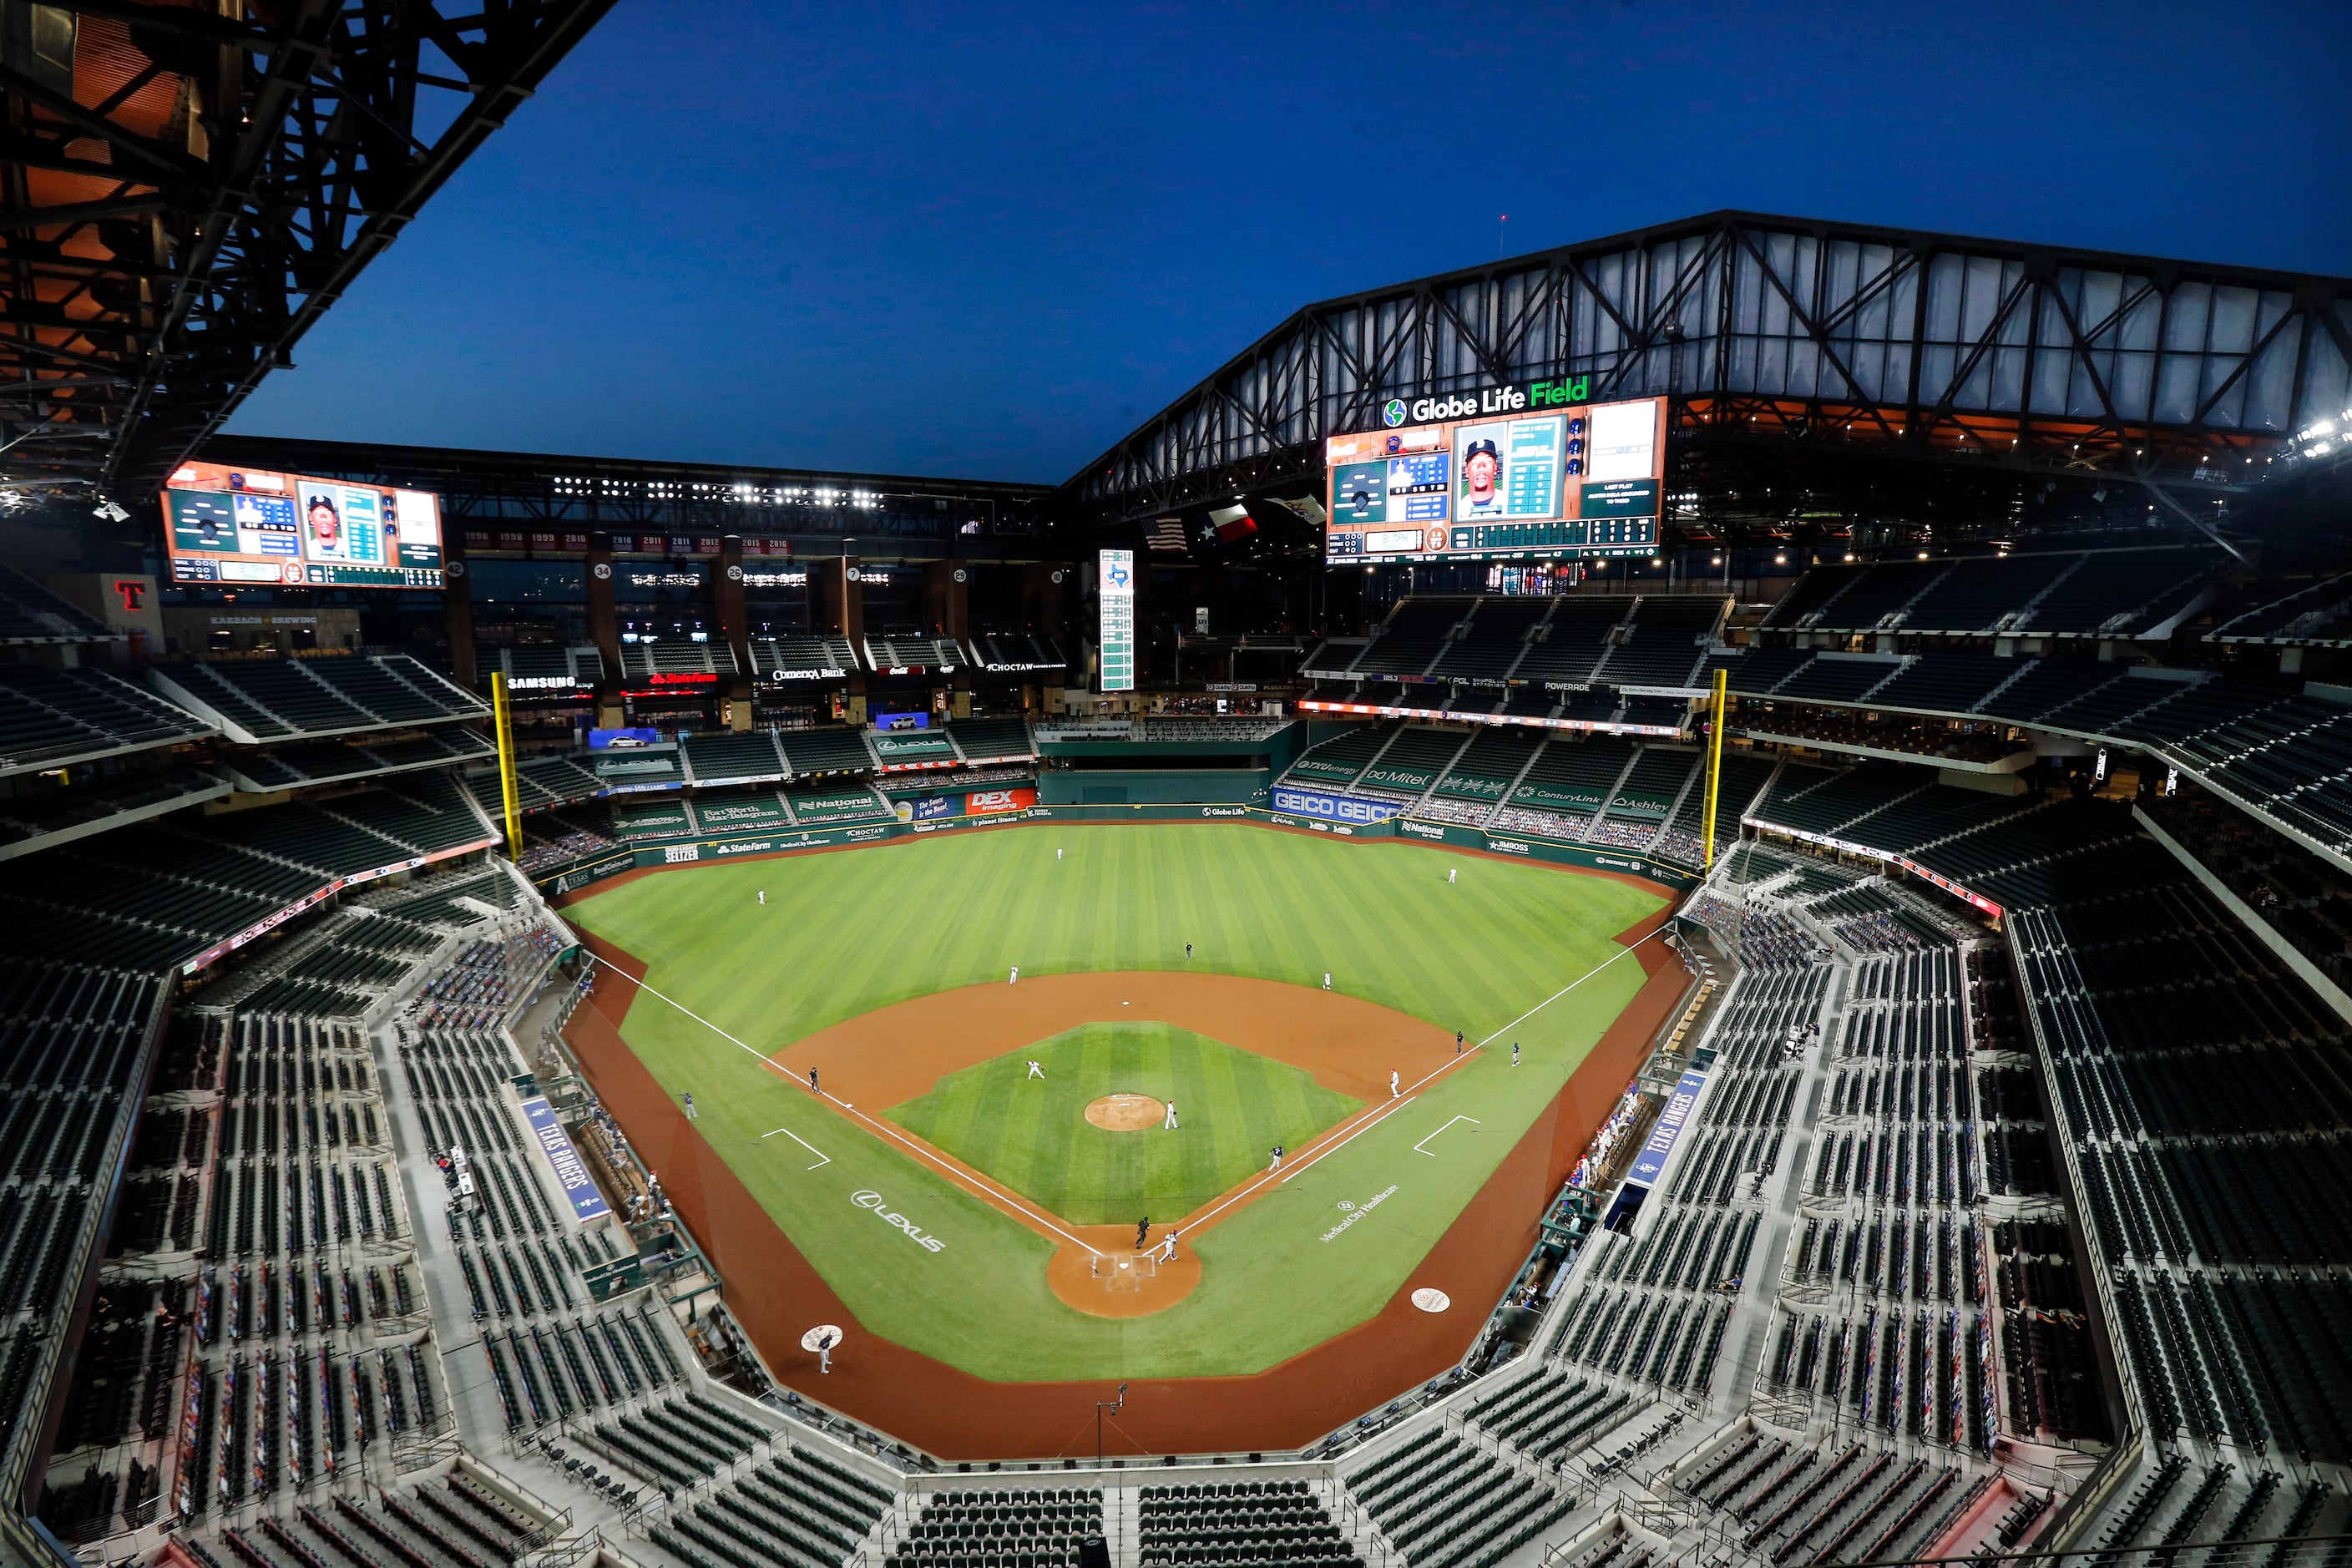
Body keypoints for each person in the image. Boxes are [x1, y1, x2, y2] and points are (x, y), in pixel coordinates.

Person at [1459, 438, 1505, 517]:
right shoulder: (1459, 508)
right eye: (1475, 462)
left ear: (1495, 468)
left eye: (1488, 461)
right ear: (1466, 471)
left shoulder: (1507, 502)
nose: (1481, 467)